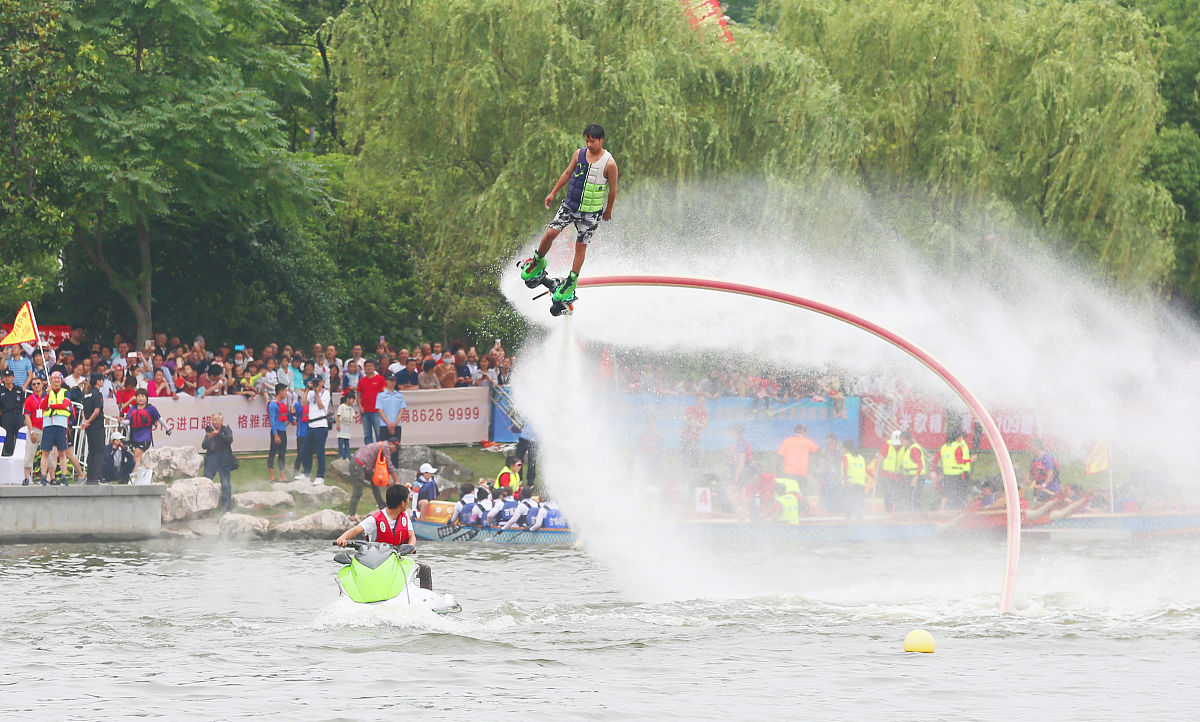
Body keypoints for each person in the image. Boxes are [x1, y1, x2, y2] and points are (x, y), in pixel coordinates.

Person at [519, 124, 619, 305]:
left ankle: (571, 281)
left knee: (581, 246)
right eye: (587, 140)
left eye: (593, 141)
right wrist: (552, 193)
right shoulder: (578, 154)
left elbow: (613, 189)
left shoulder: (609, 163)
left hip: (591, 213)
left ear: (601, 140)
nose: (589, 144)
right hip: (570, 206)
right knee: (550, 233)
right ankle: (537, 261)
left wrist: (609, 209)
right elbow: (567, 173)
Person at [335, 485, 433, 590]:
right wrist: (342, 538)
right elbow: (355, 530)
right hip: (376, 564)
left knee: (425, 569)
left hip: (398, 562)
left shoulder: (404, 517)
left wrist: (410, 548)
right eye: (408, 499)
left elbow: (412, 536)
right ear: (403, 503)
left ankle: (427, 597)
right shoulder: (375, 519)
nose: (408, 501)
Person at [347, 438, 401, 519]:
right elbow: (389, 466)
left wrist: (386, 481)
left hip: (362, 466)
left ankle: (381, 506)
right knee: (358, 491)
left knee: (375, 481)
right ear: (391, 443)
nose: (395, 450)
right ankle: (352, 515)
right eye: (395, 447)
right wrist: (396, 481)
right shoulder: (385, 446)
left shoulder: (381, 445)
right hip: (357, 466)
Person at [40, 372, 78, 485]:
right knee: (45, 452)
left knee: (62, 452)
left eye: (58, 378)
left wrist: (50, 406)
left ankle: (63, 477)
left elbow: (64, 405)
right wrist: (47, 394)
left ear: (61, 380)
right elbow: (42, 406)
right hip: (48, 425)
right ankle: (43, 477)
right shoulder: (46, 393)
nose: (56, 380)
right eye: (54, 378)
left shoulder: (66, 392)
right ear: (50, 380)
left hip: (61, 425)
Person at [202, 413, 235, 513]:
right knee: (206, 483)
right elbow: (203, 446)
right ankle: (205, 509)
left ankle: (227, 509)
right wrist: (209, 437)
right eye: (213, 420)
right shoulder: (210, 431)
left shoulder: (226, 430)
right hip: (212, 459)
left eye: (216, 420)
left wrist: (218, 434)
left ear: (221, 420)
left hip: (224, 460)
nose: (214, 422)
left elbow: (229, 440)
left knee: (225, 484)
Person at [776, 424, 820, 497]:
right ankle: (801, 507)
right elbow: (818, 451)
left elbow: (779, 456)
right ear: (803, 432)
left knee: (789, 493)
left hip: (788, 473)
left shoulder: (787, 441)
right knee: (801, 494)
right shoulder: (807, 442)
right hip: (802, 473)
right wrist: (811, 459)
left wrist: (778, 473)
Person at [126, 389, 165, 469]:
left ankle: (133, 478)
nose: (140, 398)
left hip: (145, 438)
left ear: (146, 398)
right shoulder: (133, 409)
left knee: (136, 456)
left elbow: (160, 419)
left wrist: (168, 429)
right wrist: (121, 421)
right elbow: (128, 421)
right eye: (139, 396)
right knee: (138, 458)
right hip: (134, 438)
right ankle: (142, 476)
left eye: (143, 396)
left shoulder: (151, 408)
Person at [303, 375, 331, 485]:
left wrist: (316, 393)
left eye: (318, 382)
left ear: (322, 382)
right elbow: (303, 403)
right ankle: (307, 473)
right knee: (305, 450)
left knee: (320, 451)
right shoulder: (310, 392)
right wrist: (307, 389)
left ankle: (320, 476)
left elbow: (320, 406)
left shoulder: (326, 393)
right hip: (311, 425)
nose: (317, 384)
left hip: (321, 425)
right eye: (315, 382)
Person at [937, 428, 973, 511]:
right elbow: (959, 460)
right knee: (960, 492)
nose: (962, 439)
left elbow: (936, 458)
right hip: (958, 473)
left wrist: (934, 470)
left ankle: (942, 510)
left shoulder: (945, 446)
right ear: (958, 438)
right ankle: (959, 509)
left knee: (946, 492)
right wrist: (970, 460)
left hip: (947, 474)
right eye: (961, 437)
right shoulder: (958, 446)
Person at [376, 372, 407, 467]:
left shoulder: (399, 395)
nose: (393, 383)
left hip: (397, 425)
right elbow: (380, 411)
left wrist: (395, 423)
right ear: (386, 381)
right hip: (384, 425)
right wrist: (389, 424)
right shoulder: (381, 395)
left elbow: (402, 410)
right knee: (383, 448)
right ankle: (382, 469)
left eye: (394, 381)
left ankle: (395, 469)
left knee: (395, 448)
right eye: (390, 380)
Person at [79, 373, 106, 483]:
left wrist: (85, 422)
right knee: (99, 451)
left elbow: (83, 410)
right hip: (96, 425)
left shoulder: (86, 394)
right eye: (102, 380)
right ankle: (97, 476)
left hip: (89, 426)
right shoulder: (97, 395)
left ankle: (91, 477)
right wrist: (89, 421)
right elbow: (96, 411)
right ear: (98, 381)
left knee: (92, 451)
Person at [21, 376, 45, 484]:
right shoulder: (29, 399)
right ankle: (26, 478)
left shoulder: (48, 397)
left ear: (42, 384)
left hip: (47, 428)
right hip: (35, 428)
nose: (36, 386)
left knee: (49, 454)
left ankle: (49, 477)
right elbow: (27, 417)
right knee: (29, 453)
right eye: (34, 384)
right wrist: (31, 432)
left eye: (38, 383)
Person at [357, 359, 386, 445]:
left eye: (370, 366)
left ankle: (379, 454)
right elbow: (358, 395)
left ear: (374, 367)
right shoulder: (362, 381)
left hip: (376, 411)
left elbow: (384, 395)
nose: (368, 368)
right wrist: (360, 406)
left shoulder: (380, 379)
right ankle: (369, 454)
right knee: (367, 434)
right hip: (365, 411)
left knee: (378, 434)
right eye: (366, 366)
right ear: (364, 368)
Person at [266, 383, 291, 483]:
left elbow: (285, 417)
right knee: (272, 453)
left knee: (282, 454)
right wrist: (275, 434)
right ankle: (272, 477)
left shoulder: (282, 404)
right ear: (280, 392)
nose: (286, 393)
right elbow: (272, 420)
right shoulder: (273, 404)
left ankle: (282, 476)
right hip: (276, 431)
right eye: (285, 391)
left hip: (283, 430)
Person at [1026, 438, 1061, 502]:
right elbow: (1030, 471)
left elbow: (1051, 473)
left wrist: (1044, 485)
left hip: (1051, 489)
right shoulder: (1035, 459)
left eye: (1032, 446)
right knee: (1038, 504)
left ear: (1037, 447)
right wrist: (1027, 479)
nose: (1030, 448)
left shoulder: (1047, 458)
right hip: (1039, 489)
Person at [899, 430, 926, 511]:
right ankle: (914, 513)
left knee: (914, 498)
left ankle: (917, 516)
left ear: (908, 440)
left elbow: (920, 464)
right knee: (912, 496)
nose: (901, 443)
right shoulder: (908, 449)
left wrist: (915, 477)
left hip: (917, 477)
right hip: (911, 476)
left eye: (903, 441)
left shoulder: (914, 449)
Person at [841, 439, 867, 519]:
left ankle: (848, 522)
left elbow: (845, 468)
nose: (842, 450)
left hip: (850, 483)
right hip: (860, 484)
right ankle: (860, 521)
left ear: (845, 448)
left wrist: (846, 480)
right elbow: (864, 469)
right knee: (859, 503)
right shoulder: (861, 457)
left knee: (849, 503)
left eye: (842, 448)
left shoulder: (846, 457)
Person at [0, 369, 23, 456]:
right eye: (5, 377)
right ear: (2, 379)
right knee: (8, 439)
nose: (7, 379)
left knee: (20, 439)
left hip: (18, 416)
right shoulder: (1, 391)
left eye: (9, 376)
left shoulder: (18, 389)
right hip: (6, 417)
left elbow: (23, 403)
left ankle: (20, 457)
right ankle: (8, 457)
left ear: (13, 377)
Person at [335, 389, 357, 462]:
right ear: (348, 399)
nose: (353, 401)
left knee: (347, 443)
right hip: (341, 427)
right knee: (341, 443)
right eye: (352, 399)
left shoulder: (351, 408)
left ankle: (346, 456)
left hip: (347, 428)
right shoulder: (342, 406)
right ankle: (340, 456)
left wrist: (361, 414)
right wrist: (338, 425)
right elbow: (338, 416)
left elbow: (353, 416)